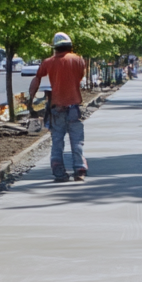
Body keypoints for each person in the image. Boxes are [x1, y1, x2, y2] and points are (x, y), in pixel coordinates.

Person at [27, 32, 88, 182]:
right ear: (70, 45)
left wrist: (31, 99)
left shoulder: (48, 62)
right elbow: (79, 78)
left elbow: (37, 79)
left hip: (56, 107)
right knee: (77, 141)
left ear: (55, 47)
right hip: (73, 106)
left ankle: (59, 172)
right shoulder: (78, 60)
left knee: (57, 141)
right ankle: (79, 169)